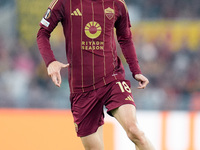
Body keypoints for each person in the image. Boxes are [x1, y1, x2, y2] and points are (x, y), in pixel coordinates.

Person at [37, 0, 155, 149]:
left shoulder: (117, 4)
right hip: (81, 90)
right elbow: (42, 33)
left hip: (112, 79)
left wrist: (136, 71)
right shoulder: (64, 3)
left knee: (135, 132)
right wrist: (50, 62)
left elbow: (125, 38)